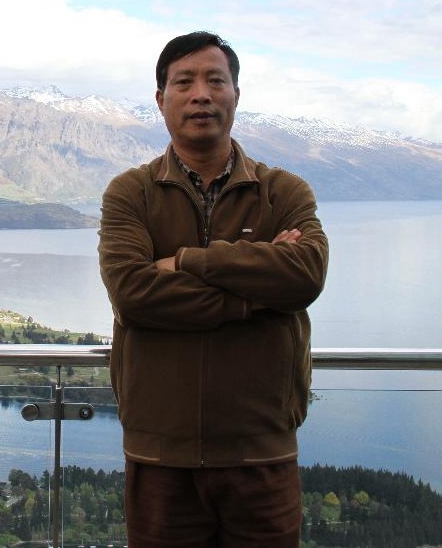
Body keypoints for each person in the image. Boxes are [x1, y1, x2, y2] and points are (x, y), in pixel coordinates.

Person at [98, 31, 329, 547]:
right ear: (161, 99)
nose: (201, 94)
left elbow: (306, 274)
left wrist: (187, 260)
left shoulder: (283, 191)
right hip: (160, 451)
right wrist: (258, 293)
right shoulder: (130, 193)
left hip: (262, 451)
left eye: (215, 81)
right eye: (184, 82)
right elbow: (133, 293)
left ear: (236, 95)